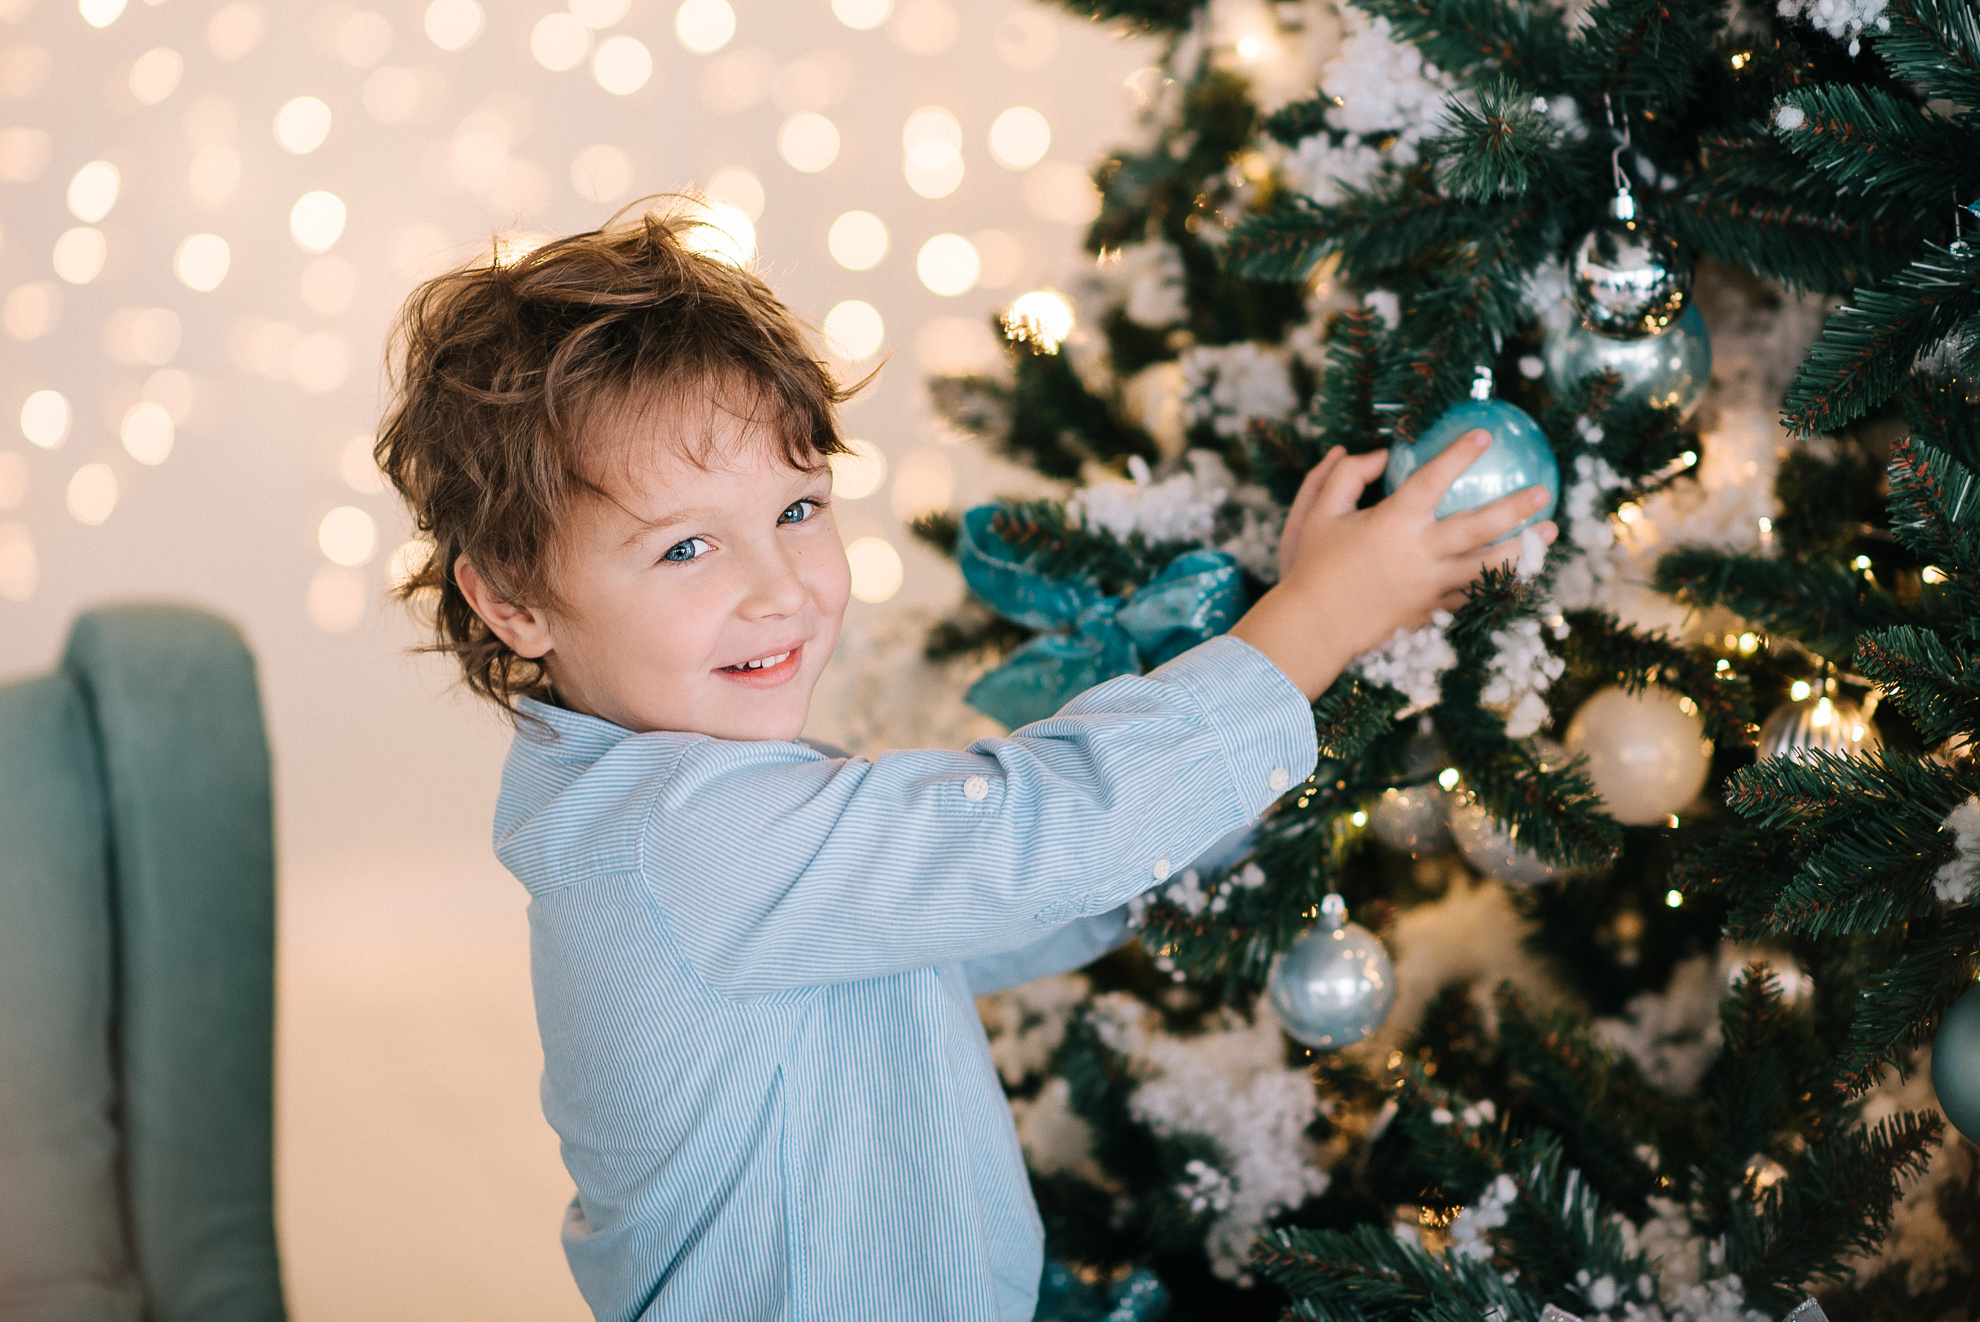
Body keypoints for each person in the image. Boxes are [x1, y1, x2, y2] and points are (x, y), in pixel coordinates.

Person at [374, 204, 1556, 1322]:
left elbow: (985, 908)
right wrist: (1317, 616)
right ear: (512, 597)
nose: (780, 586)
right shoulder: (687, 834)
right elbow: (1024, 837)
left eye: (796, 508)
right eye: (686, 546)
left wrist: (1246, 744)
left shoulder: (689, 794)